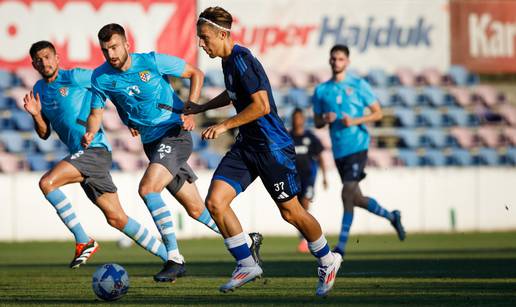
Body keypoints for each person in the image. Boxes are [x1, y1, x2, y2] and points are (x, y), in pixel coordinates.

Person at [82, 23, 262, 283]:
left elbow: (195, 73)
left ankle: (174, 258)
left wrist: (190, 107)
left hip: (174, 134)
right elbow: (98, 111)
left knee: (147, 189)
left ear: (126, 44)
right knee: (196, 209)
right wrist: (93, 131)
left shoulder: (152, 61)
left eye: (114, 47)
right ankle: (247, 242)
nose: (110, 54)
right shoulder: (100, 77)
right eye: (105, 50)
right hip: (152, 143)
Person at [185, 7, 342, 297]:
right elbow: (234, 93)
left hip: (272, 148)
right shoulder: (227, 62)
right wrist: (203, 107)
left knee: (291, 212)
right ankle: (246, 263)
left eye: (204, 38)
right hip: (248, 146)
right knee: (216, 202)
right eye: (199, 38)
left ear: (222, 34)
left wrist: (223, 126)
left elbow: (261, 106)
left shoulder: (242, 60)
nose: (201, 44)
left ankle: (327, 259)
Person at [25, 40, 169, 269]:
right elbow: (44, 134)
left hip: (94, 151)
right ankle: (171, 258)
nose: (44, 62)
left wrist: (129, 115)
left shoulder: (75, 77)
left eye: (48, 56)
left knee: (47, 182)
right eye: (39, 60)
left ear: (57, 58)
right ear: (33, 64)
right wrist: (35, 115)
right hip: (82, 155)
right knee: (117, 218)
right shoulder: (39, 91)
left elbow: (108, 83)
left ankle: (83, 240)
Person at [312, 44, 406, 258]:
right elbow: (317, 122)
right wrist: (324, 119)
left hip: (358, 145)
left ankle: (341, 247)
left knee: (346, 193)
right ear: (329, 61)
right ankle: (392, 216)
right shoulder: (321, 90)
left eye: (341, 59)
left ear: (348, 62)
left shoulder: (358, 84)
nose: (337, 62)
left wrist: (355, 120)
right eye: (333, 59)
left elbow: (378, 113)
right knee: (356, 198)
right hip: (339, 150)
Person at [289, 108, 328, 253]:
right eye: (295, 117)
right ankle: (304, 236)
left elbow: (320, 156)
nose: (297, 120)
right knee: (296, 208)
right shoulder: (288, 136)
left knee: (305, 203)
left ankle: (308, 238)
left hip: (308, 177)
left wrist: (324, 177)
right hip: (293, 177)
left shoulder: (310, 137)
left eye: (300, 117)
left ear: (303, 119)